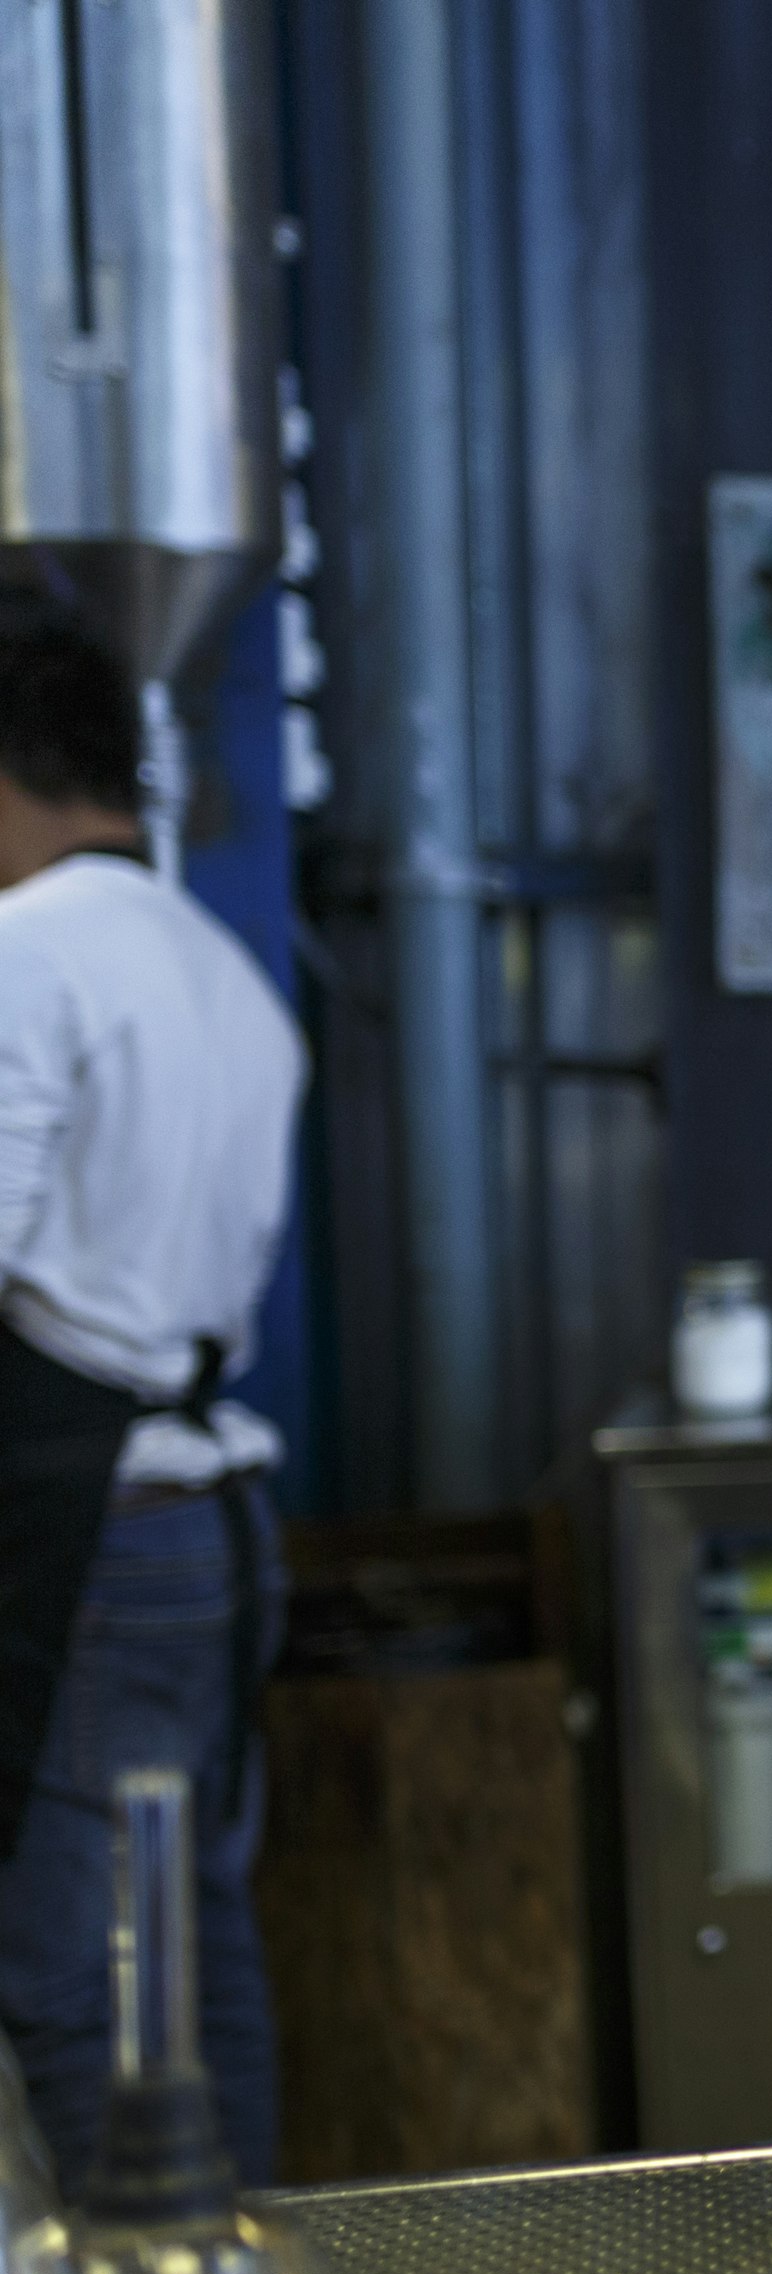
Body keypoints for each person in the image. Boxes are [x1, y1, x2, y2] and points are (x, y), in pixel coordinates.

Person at [0, 608, 302, 2192]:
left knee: (70, 1979)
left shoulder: (25, 952)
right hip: (218, 1527)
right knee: (201, 1962)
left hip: (93, 1545)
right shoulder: (225, 970)